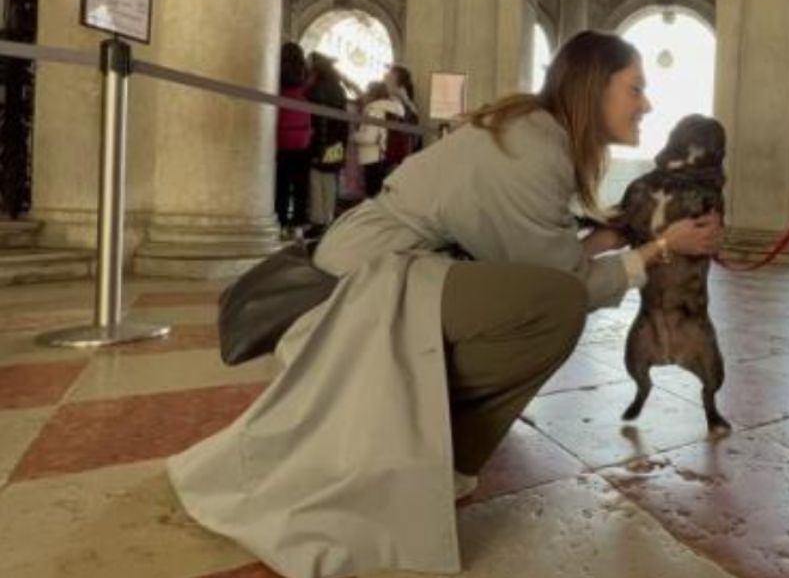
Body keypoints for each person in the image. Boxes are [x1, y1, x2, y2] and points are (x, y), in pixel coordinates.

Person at [167, 31, 723, 578]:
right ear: (595, 87)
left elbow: (540, 250)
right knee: (552, 308)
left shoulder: (536, 132)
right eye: (635, 88)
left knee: (543, 299)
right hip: (372, 277)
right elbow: (565, 284)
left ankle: (439, 446)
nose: (646, 103)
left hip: (392, 264)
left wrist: (618, 238)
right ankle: (444, 456)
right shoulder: (536, 149)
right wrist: (658, 249)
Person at [306, 53, 350, 233]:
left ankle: (318, 219)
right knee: (330, 179)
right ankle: (328, 217)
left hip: (320, 141)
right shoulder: (339, 90)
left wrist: (317, 149)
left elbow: (319, 121)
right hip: (336, 142)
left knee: (316, 179)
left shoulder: (315, 89)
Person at [274, 43, 311, 237]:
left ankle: (280, 221)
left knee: (281, 181)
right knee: (300, 183)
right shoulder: (305, 72)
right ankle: (298, 225)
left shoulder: (276, 69)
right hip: (302, 128)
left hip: (282, 126)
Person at [352, 81, 405, 198]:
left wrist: (354, 136)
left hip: (373, 157)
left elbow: (369, 137)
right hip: (390, 155)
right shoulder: (395, 109)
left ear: (372, 94)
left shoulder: (374, 110)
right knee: (385, 195)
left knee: (373, 195)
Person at [384, 64, 423, 168]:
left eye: (389, 78)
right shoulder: (388, 100)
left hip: (398, 155)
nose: (385, 79)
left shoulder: (404, 105)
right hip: (388, 153)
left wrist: (405, 99)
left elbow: (413, 122)